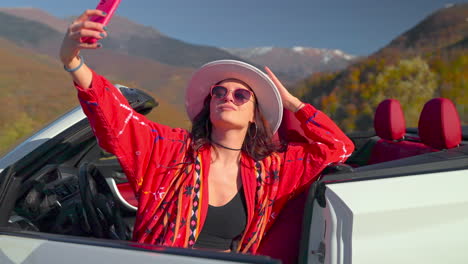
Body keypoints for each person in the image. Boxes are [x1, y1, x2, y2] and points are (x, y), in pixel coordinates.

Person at [59, 9, 354, 253]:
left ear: (255, 116)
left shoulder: (273, 170)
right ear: (209, 103)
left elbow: (337, 147)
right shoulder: (171, 149)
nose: (228, 97)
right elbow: (116, 116)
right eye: (219, 92)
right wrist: (73, 61)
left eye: (241, 95)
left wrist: (292, 103)